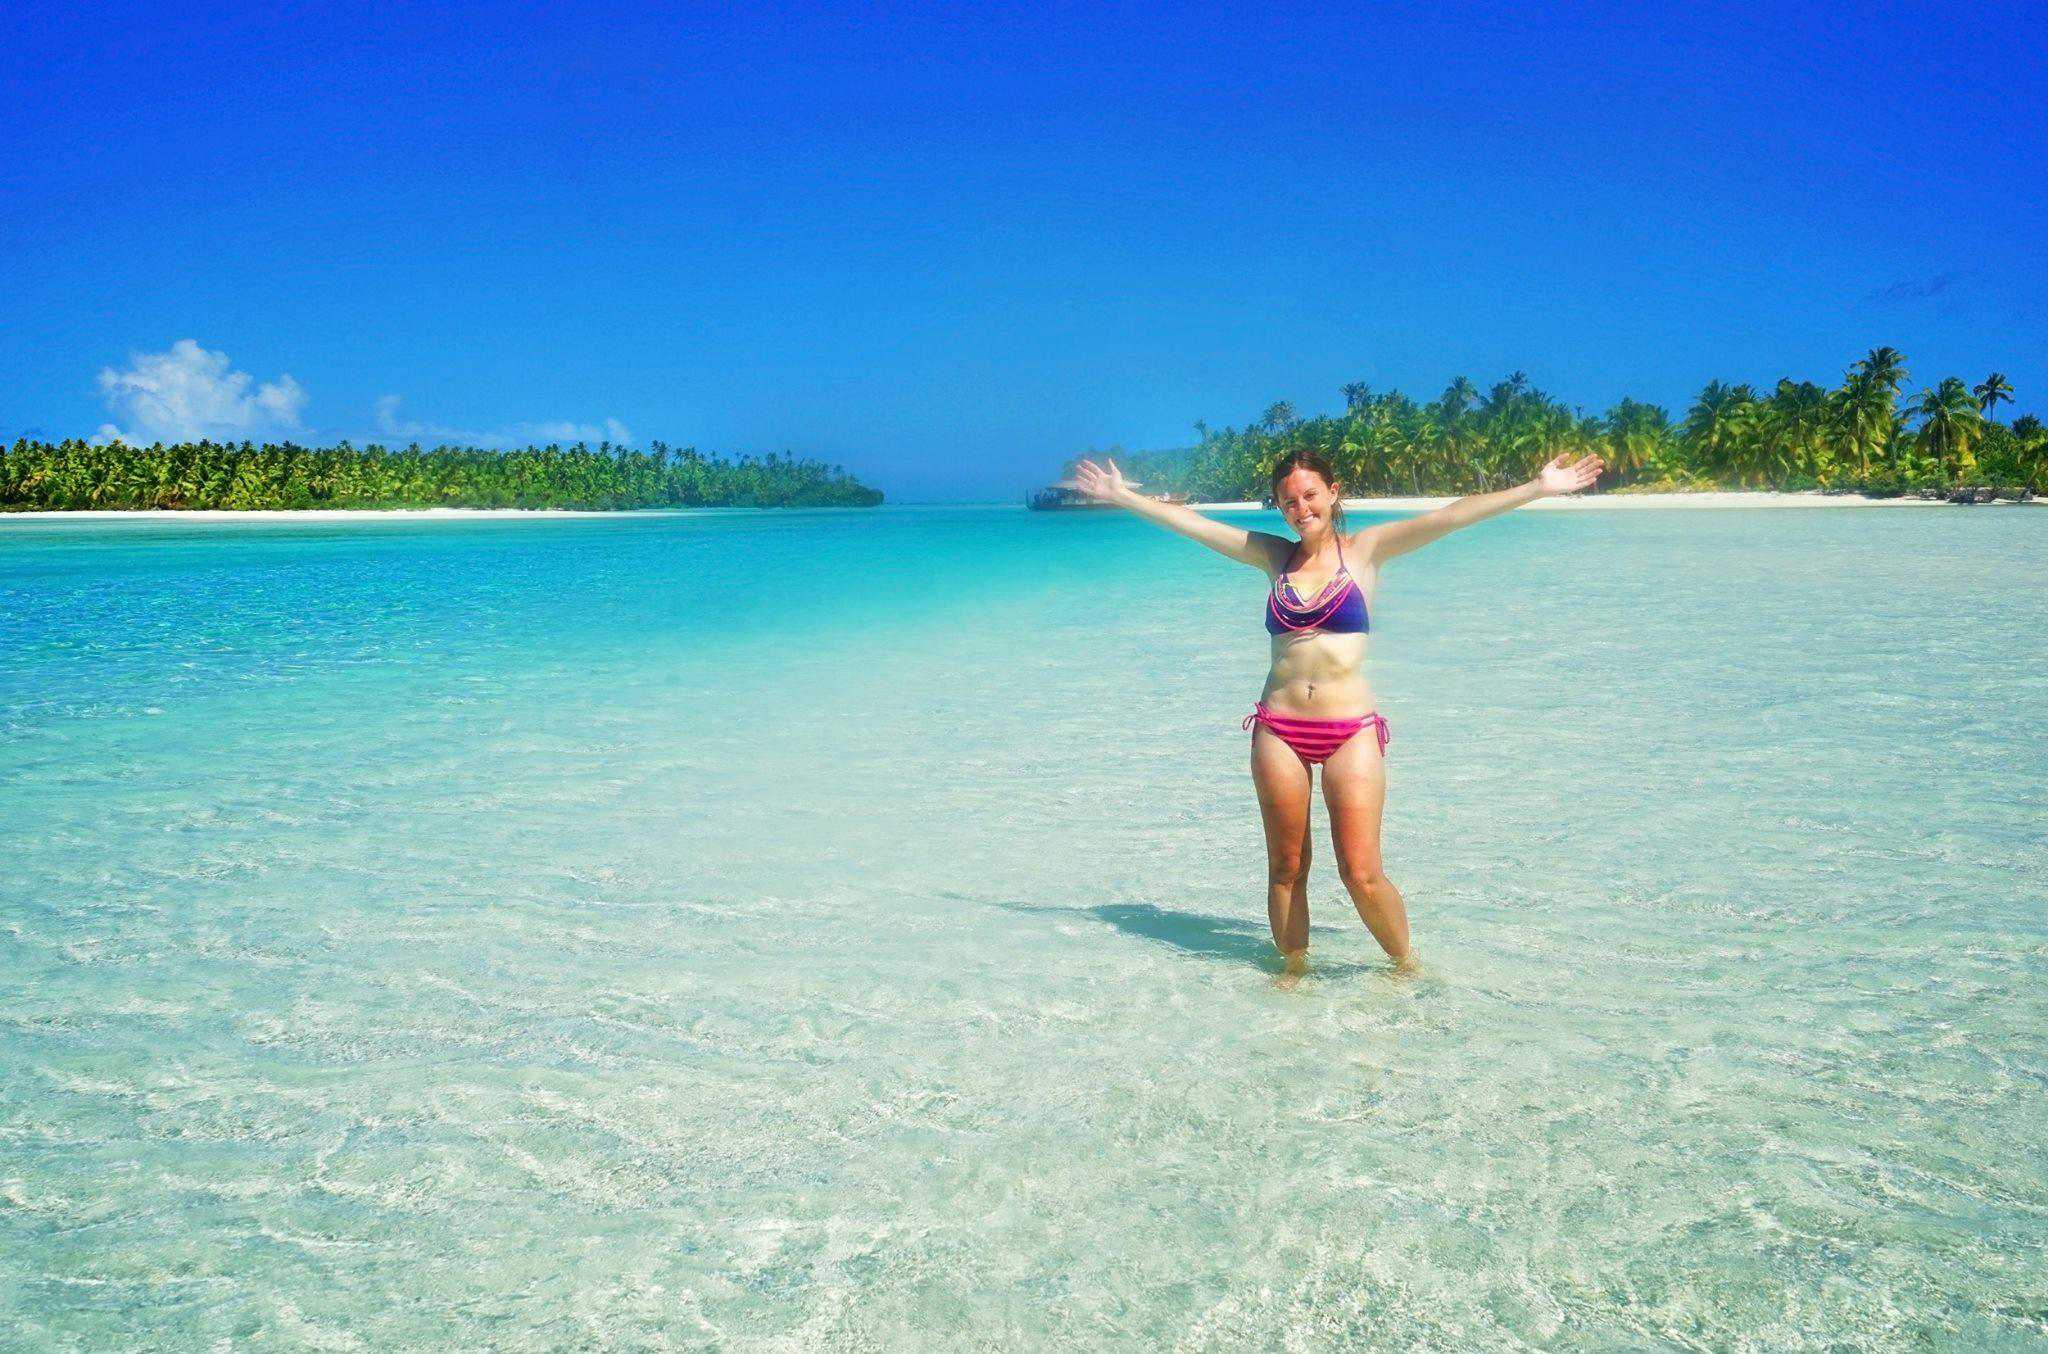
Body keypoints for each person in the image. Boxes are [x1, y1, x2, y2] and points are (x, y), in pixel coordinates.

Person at [1070, 448, 1604, 978]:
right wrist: (1123, 496)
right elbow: (1193, 525)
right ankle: (1294, 978)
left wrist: (1537, 488)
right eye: (1288, 502)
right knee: (1286, 869)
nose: (1301, 509)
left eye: (1309, 495)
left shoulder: (1366, 551)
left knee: (1361, 872)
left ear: (1332, 492)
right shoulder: (1274, 557)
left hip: (1351, 730)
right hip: (1278, 729)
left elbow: (1450, 516)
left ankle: (1407, 971)